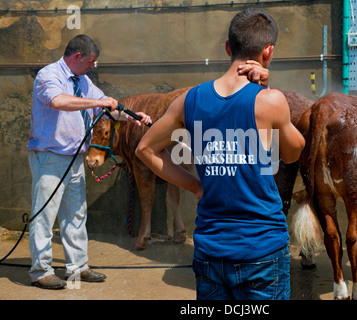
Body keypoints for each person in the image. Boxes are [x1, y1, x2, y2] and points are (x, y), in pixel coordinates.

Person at [136, 8, 304, 300]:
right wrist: (269, 91)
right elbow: (292, 153)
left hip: (210, 252)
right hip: (261, 251)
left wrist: (194, 185)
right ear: (268, 52)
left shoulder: (188, 100)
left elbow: (144, 149)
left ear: (228, 48)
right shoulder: (270, 100)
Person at [27, 34, 151, 290]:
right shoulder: (49, 76)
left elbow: (107, 110)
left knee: (76, 214)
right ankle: (41, 271)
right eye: (91, 61)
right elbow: (59, 101)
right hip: (50, 156)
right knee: (45, 215)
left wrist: (132, 116)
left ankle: (78, 266)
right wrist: (99, 102)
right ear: (77, 57)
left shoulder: (83, 81)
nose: (93, 66)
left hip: (74, 157)